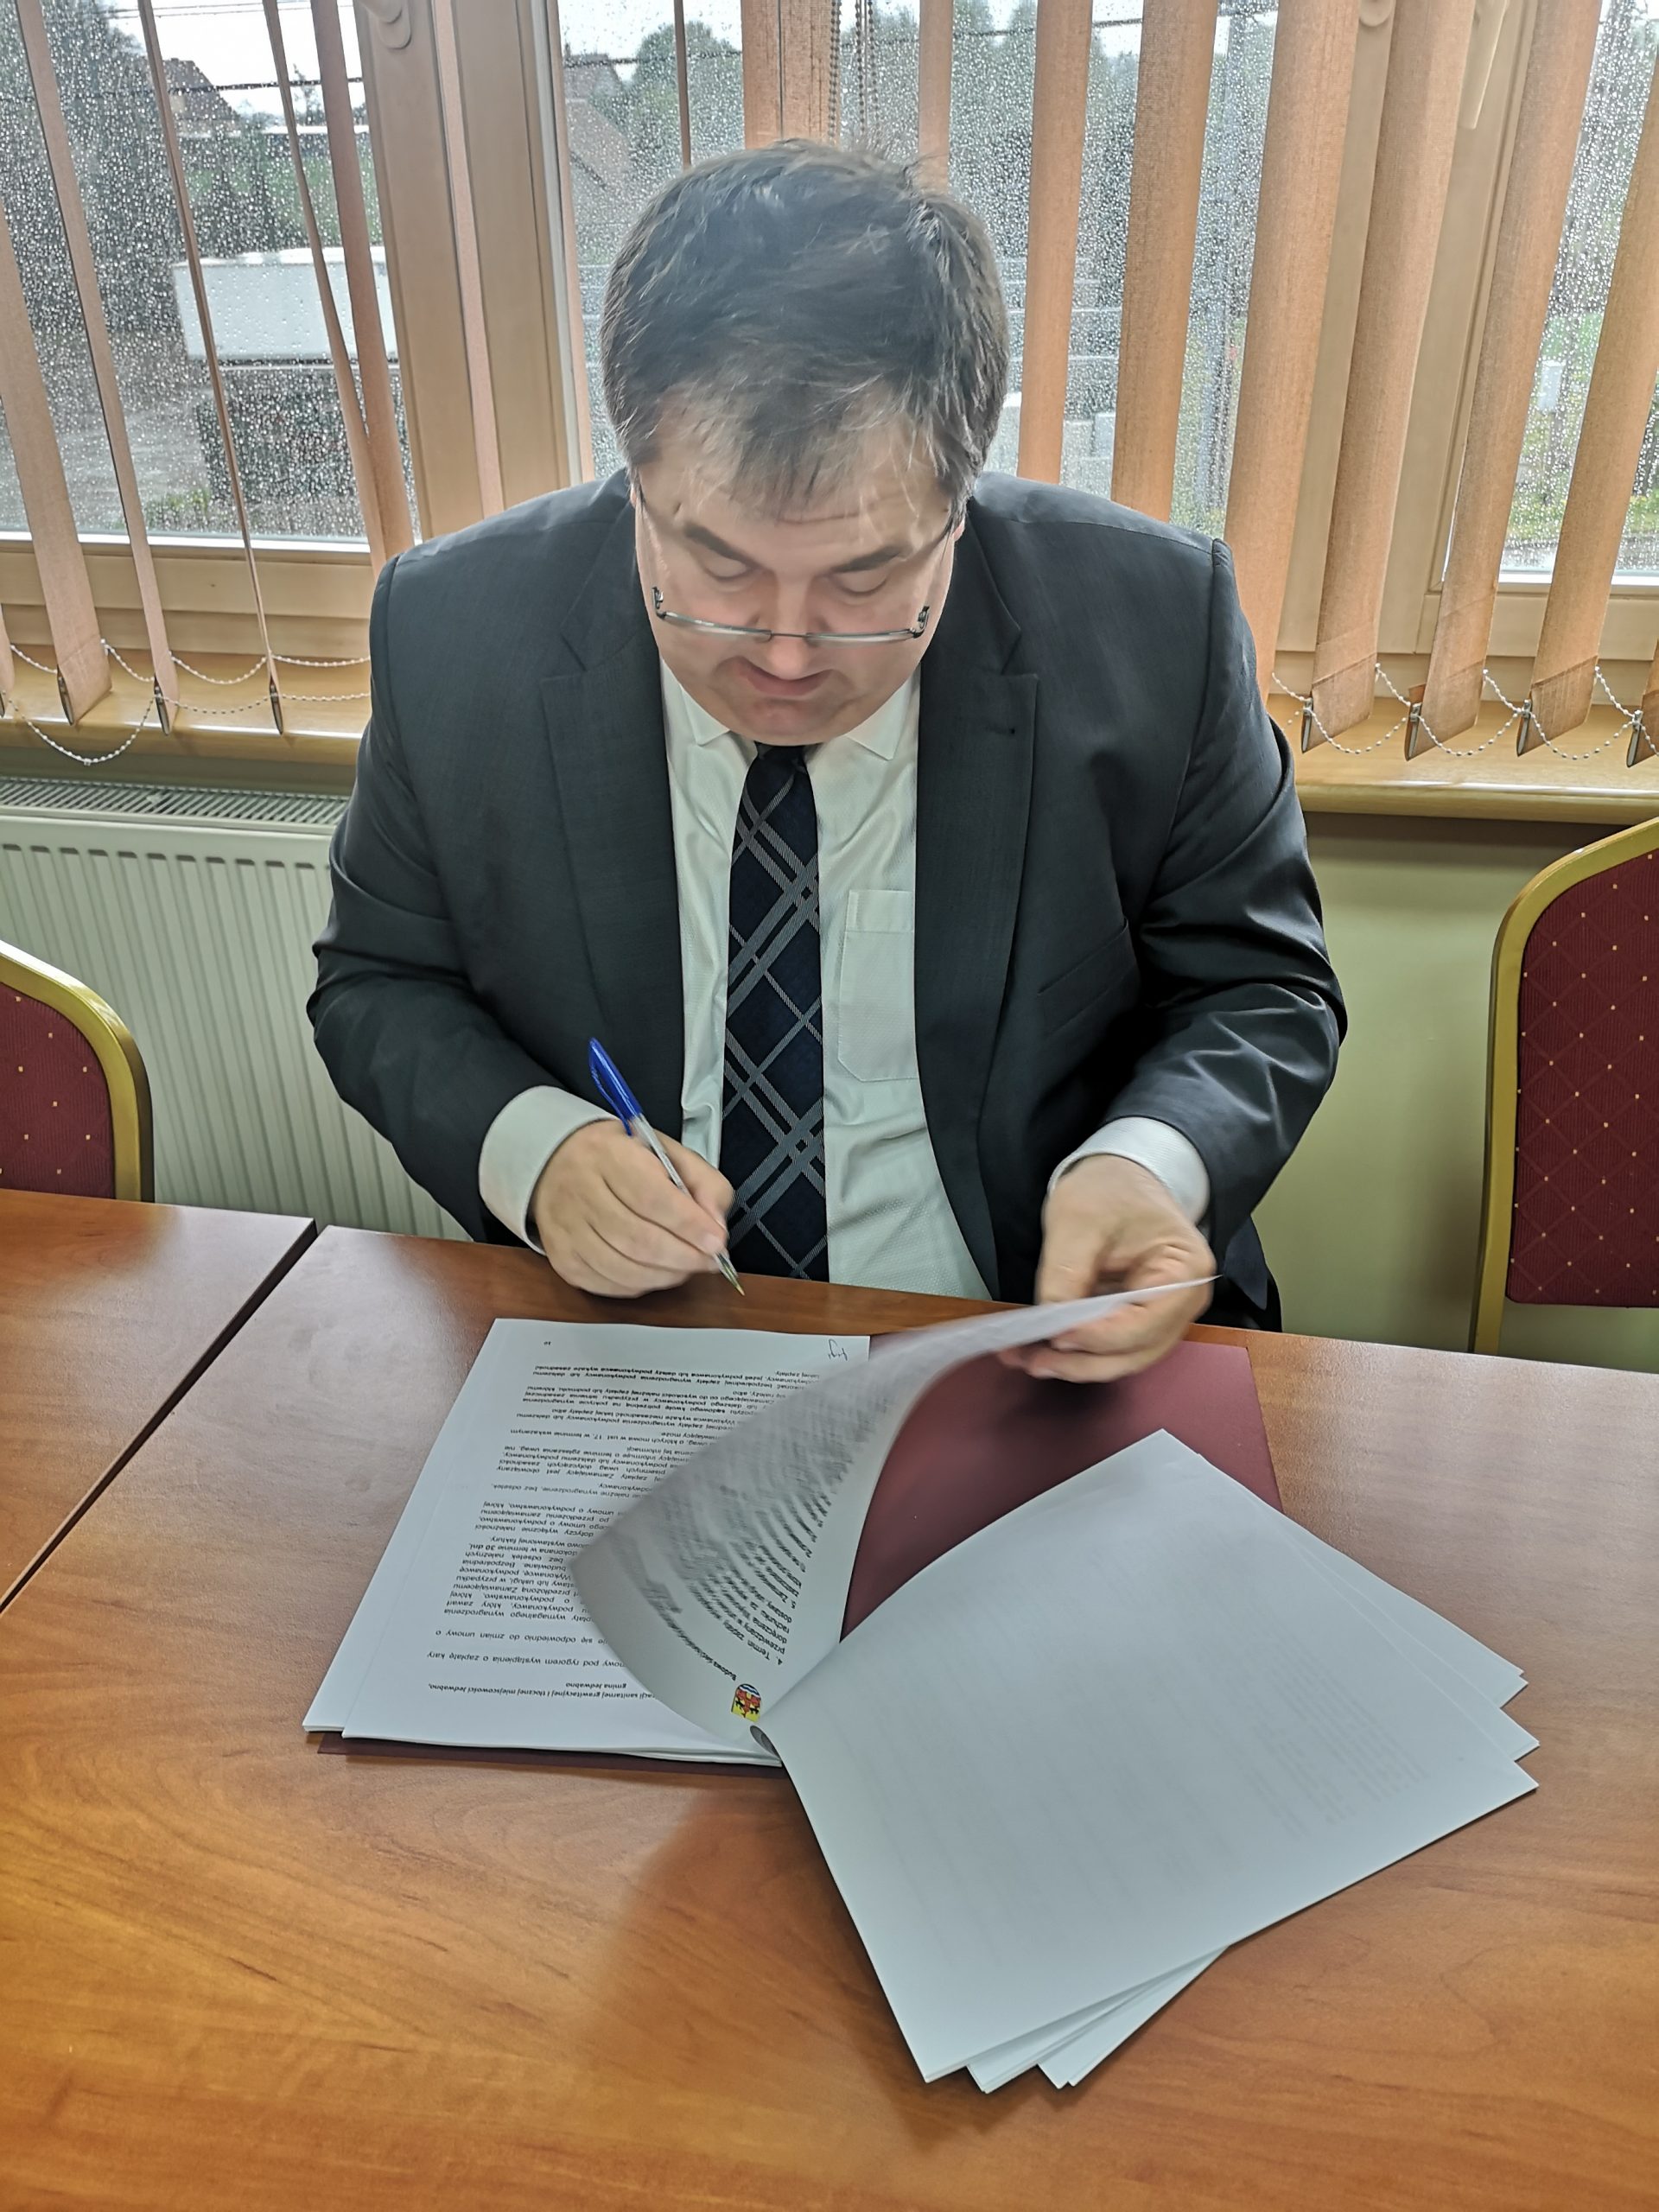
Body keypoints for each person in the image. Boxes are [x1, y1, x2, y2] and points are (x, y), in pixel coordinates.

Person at [310, 140, 1343, 1383]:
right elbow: (380, 984)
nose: (787, 653)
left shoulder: (1151, 625)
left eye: (865, 576)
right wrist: (535, 1150)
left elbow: (1261, 988)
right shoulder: (454, 632)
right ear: (635, 480)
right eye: (720, 566)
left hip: (1026, 1341)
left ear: (960, 502)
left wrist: (1147, 1162)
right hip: (638, 1345)